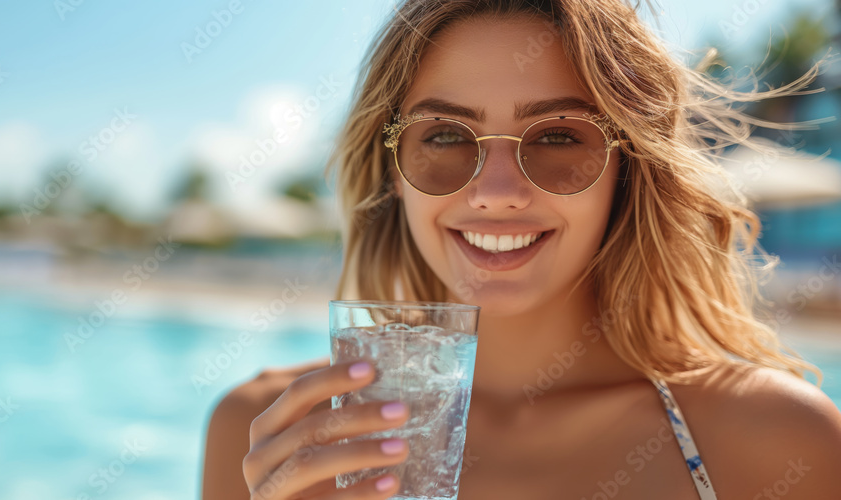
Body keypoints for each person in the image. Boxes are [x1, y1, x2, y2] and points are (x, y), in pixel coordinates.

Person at [202, 0, 841, 498]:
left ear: (629, 168)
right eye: (447, 134)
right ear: (392, 170)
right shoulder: (269, 434)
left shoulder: (779, 440)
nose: (496, 193)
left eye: (560, 137)